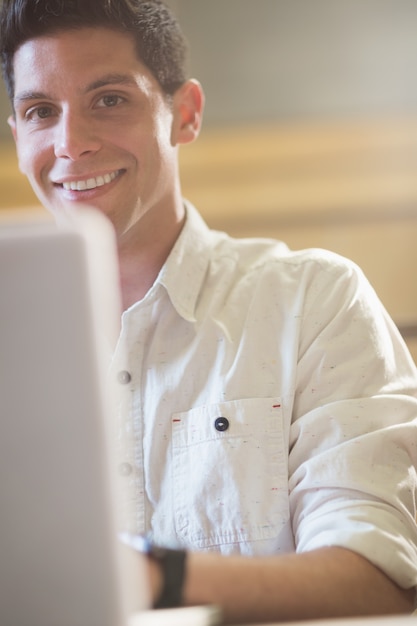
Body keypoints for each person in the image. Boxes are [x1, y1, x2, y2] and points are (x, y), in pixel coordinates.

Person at [1, 0, 417, 623]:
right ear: (17, 133)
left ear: (185, 115)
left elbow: (376, 581)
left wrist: (147, 579)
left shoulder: (316, 301)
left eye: (109, 99)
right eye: (40, 112)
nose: (70, 143)